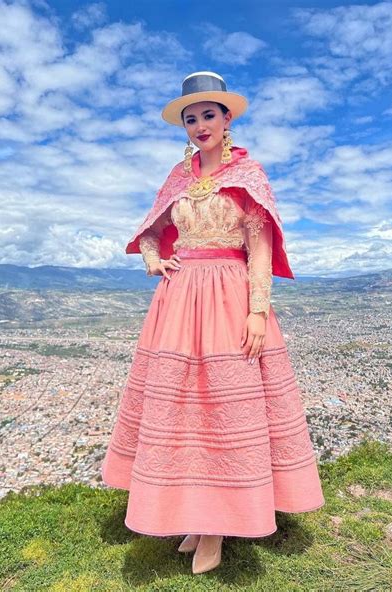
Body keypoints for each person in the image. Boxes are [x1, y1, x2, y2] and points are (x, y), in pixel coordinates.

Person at [101, 71, 325, 575]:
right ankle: (196, 516)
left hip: (229, 293)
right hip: (179, 300)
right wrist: (154, 260)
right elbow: (152, 232)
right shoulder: (177, 180)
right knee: (184, 409)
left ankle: (218, 526)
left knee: (224, 405)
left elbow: (260, 248)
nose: (199, 125)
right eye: (190, 118)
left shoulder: (249, 175)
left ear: (227, 120)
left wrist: (257, 310)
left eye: (208, 115)